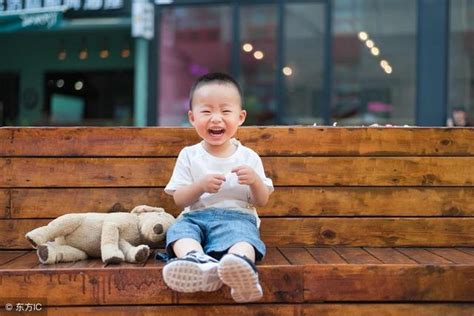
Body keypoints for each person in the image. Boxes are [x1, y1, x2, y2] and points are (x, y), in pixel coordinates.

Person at [162, 72, 274, 303]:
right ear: (192, 117)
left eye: (225, 111)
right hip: (196, 217)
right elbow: (179, 200)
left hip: (237, 217)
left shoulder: (248, 157)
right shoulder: (189, 155)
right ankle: (196, 260)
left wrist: (254, 180)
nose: (216, 118)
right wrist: (200, 186)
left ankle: (240, 265)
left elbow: (261, 201)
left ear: (240, 117)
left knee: (244, 237)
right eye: (206, 111)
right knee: (179, 231)